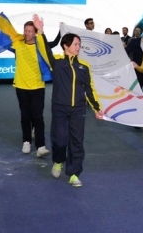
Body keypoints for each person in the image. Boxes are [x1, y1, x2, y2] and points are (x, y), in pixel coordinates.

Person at [35, 18, 103, 188]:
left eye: (79, 44)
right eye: (75, 44)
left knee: (76, 142)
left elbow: (89, 89)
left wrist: (96, 108)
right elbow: (44, 51)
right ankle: (58, 161)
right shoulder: (57, 63)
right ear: (66, 46)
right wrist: (40, 32)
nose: (78, 47)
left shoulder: (84, 66)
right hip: (60, 108)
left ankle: (73, 173)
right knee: (59, 139)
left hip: (78, 109)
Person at [0, 15, 52, 158]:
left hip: (37, 87)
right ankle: (26, 141)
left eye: (30, 31)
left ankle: (41, 146)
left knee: (38, 117)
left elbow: (46, 47)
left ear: (35, 33)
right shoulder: (18, 45)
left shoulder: (40, 47)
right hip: (21, 87)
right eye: (25, 31)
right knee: (25, 116)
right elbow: (1, 41)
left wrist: (42, 30)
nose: (27, 33)